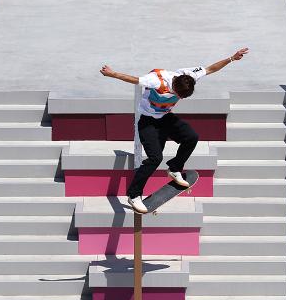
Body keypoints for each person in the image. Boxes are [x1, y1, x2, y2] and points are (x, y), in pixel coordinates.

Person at [100, 48, 249, 213]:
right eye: (179, 95)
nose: (180, 98)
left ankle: (175, 168)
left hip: (165, 117)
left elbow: (210, 69)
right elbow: (134, 80)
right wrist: (112, 73)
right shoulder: (157, 81)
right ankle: (134, 195)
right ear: (174, 86)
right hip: (147, 122)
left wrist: (232, 58)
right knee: (155, 158)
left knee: (191, 137)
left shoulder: (189, 76)